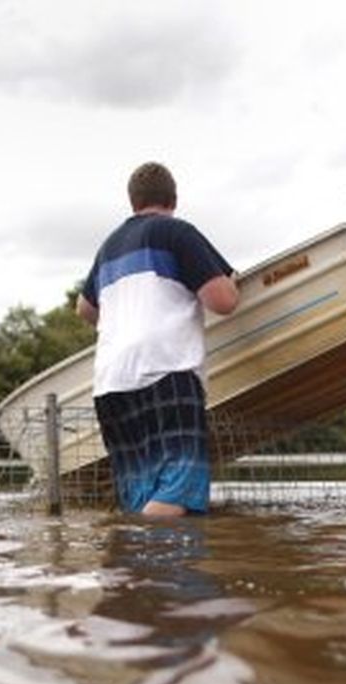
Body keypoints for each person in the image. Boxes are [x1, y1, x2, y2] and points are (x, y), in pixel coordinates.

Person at [76, 162, 240, 516]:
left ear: (132, 202)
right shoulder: (177, 233)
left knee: (139, 492)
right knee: (178, 490)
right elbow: (223, 302)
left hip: (111, 384)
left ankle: (136, 564)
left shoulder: (108, 248)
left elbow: (84, 309)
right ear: (173, 199)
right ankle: (153, 557)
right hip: (166, 370)